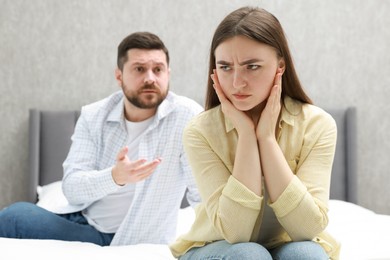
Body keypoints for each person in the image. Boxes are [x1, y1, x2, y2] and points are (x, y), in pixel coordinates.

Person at [0, 31, 202, 246]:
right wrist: (116, 176)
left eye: (158, 69)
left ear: (168, 74)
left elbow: (202, 191)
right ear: (119, 76)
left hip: (136, 236)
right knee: (13, 217)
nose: (150, 78)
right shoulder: (94, 116)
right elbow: (72, 189)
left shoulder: (187, 116)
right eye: (139, 69)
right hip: (85, 226)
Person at [170, 6, 340, 260]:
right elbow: (235, 233)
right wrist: (247, 137)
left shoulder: (317, 125)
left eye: (252, 66)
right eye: (225, 67)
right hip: (217, 246)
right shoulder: (200, 131)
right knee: (249, 255)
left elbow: (307, 229)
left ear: (279, 66)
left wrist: (267, 139)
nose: (237, 82)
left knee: (308, 255)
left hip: (288, 244)